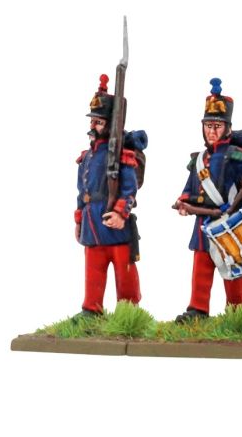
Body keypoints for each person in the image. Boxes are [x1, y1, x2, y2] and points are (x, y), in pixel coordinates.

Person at [173, 78, 242, 322]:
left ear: (227, 128)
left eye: (217, 126)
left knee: (234, 266)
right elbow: (190, 188)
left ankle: (237, 313)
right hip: (203, 224)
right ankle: (197, 310)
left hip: (229, 221)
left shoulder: (235, 155)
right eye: (208, 125)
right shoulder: (198, 160)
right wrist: (183, 202)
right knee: (201, 267)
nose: (212, 131)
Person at [75, 74, 148, 315]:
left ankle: (129, 312)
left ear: (109, 124)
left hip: (114, 223)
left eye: (99, 122)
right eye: (92, 121)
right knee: (93, 268)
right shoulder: (87, 157)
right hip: (91, 222)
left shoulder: (120, 155)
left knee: (123, 269)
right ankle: (91, 309)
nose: (93, 126)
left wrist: (120, 213)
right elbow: (82, 191)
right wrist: (79, 219)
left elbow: (129, 189)